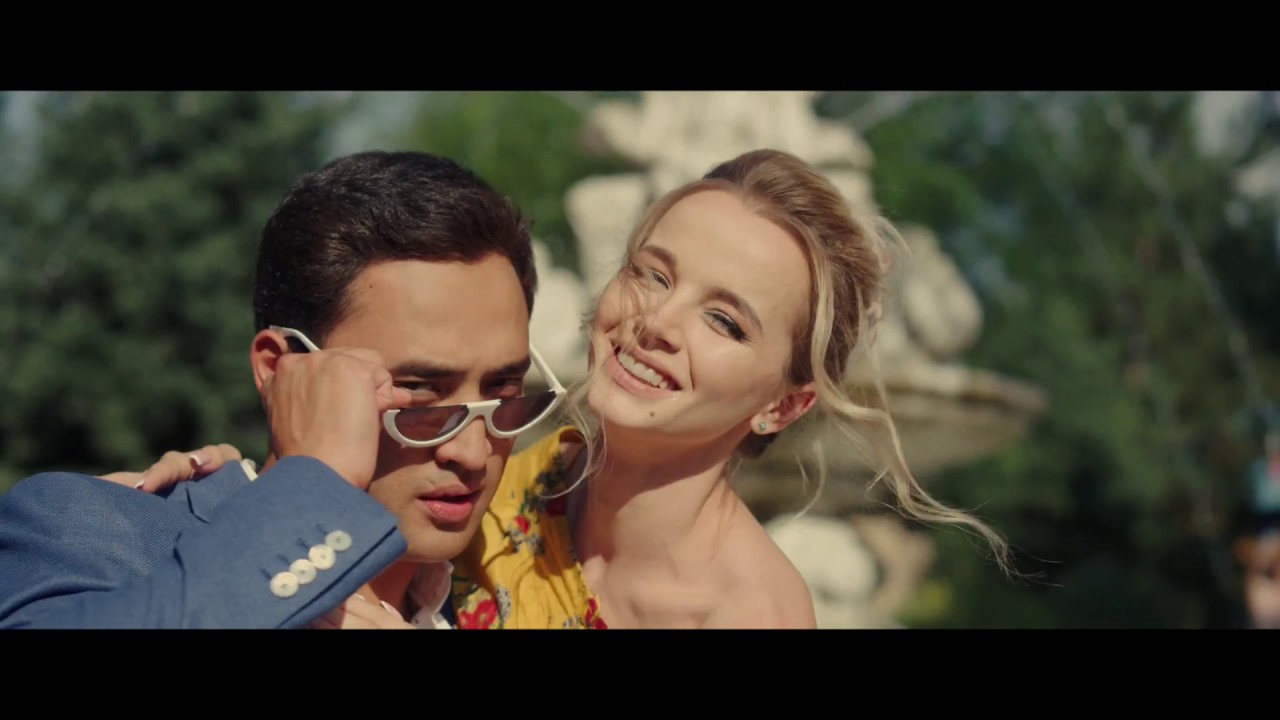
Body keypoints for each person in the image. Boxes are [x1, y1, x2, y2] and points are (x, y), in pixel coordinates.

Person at [446, 148, 1013, 629]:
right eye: (653, 275)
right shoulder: (482, 483)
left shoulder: (747, 616)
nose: (657, 322)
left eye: (724, 322)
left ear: (785, 405)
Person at [0, 150, 554, 629]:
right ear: (278, 367)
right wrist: (316, 484)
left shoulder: (524, 581)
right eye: (418, 393)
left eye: (504, 389)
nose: (473, 451)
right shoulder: (94, 529)